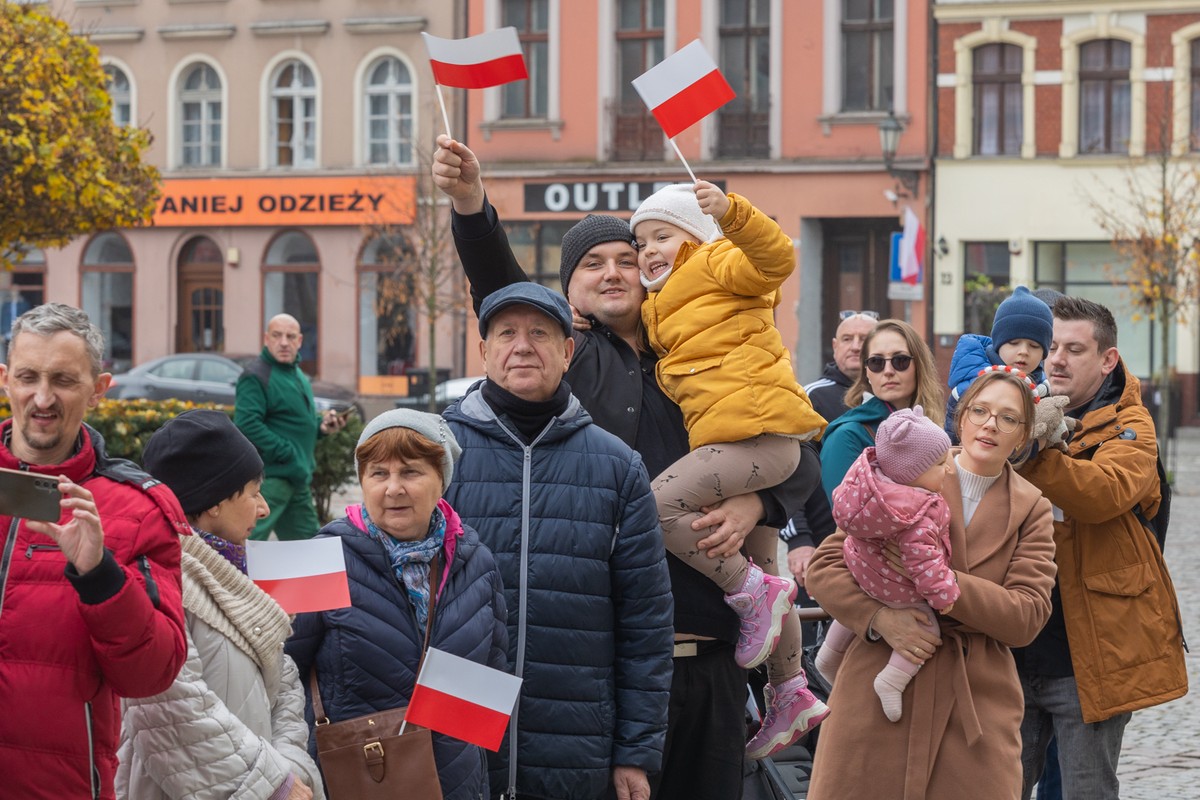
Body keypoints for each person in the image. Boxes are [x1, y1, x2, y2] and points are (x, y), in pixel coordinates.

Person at [434, 135, 804, 800]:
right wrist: (470, 204)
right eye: (591, 264)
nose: (612, 272)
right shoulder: (569, 364)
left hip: (714, 659)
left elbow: (795, 453)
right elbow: (502, 285)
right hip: (607, 668)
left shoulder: (701, 356)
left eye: (626, 260)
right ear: (566, 295)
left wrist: (760, 506)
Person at [442, 282, 674, 800]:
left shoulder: (617, 466)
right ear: (484, 352)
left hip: (576, 736)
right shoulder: (438, 453)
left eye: (540, 334)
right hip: (456, 730)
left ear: (567, 351)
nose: (522, 346)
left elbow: (645, 620)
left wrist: (635, 751)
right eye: (506, 333)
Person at [628, 182, 828, 759]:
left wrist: (732, 214)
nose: (648, 250)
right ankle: (789, 689)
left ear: (695, 235)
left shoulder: (717, 262)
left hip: (757, 435)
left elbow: (776, 260)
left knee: (656, 504)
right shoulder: (659, 303)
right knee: (769, 563)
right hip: (738, 443)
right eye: (641, 241)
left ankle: (743, 588)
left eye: (662, 235)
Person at [805, 369, 1058, 799]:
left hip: (975, 700)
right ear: (962, 418)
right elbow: (826, 565)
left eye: (1009, 418)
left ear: (1024, 436)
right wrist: (879, 617)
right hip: (876, 686)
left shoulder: (1032, 509)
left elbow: (1027, 616)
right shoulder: (912, 471)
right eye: (980, 410)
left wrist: (944, 585)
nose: (990, 425)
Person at [0, 302, 188, 799]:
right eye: (27, 377)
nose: (42, 398)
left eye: (63, 380)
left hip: (58, 787)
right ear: (5, 380)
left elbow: (153, 674)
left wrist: (100, 574)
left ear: (98, 390)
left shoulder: (138, 510)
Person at [1013, 296, 1188, 800]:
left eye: (1074, 348)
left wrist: (1026, 453)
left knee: (1085, 792)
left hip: (1088, 658)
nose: (1057, 359)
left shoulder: (1132, 426)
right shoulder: (1020, 408)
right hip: (1012, 650)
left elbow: (1102, 492)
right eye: (1051, 347)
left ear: (1107, 359)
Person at [286, 409, 507, 800]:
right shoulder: (318, 556)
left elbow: (488, 686)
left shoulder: (477, 562)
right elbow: (280, 676)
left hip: (453, 784)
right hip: (354, 780)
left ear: (442, 480)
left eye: (410, 472)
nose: (393, 488)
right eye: (378, 473)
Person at [120, 410, 323, 800]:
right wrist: (273, 787)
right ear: (214, 502)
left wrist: (290, 770)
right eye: (252, 493)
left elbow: (284, 688)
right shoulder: (157, 585)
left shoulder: (234, 575)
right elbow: (176, 721)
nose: (263, 509)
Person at [815, 405, 956, 723]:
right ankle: (892, 680)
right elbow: (924, 560)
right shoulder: (919, 509)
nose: (948, 469)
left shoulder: (870, 488)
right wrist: (943, 595)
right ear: (912, 474)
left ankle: (826, 659)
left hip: (862, 572)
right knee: (926, 625)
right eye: (939, 464)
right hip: (896, 587)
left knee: (847, 619)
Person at [784, 310, 879, 592]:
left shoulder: (898, 402)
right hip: (822, 551)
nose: (856, 345)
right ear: (835, 346)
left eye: (865, 338)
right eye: (848, 338)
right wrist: (799, 540)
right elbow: (787, 472)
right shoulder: (810, 397)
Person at [235, 314, 345, 541]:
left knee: (309, 546)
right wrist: (288, 453)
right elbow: (247, 425)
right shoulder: (255, 376)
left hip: (297, 479)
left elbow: (295, 423)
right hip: (271, 480)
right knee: (249, 544)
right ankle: (233, 578)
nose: (284, 342)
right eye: (277, 335)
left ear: (300, 341)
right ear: (266, 338)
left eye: (290, 336)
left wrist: (321, 427)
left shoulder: (297, 374)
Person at [819, 319, 945, 501]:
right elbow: (851, 518)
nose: (888, 371)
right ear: (867, 372)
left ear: (919, 366)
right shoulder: (847, 436)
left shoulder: (935, 424)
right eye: (876, 362)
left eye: (900, 360)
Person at [945, 286, 1054, 442]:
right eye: (1014, 342)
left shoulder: (1042, 386)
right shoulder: (972, 386)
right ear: (998, 344)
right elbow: (952, 440)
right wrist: (1032, 449)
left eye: (1034, 346)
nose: (1024, 351)